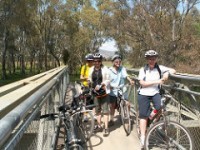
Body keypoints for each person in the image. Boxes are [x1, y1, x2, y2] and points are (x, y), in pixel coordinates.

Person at [138, 50, 176, 148]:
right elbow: (142, 83)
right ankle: (143, 137)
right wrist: (157, 81)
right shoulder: (143, 69)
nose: (152, 60)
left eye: (153, 58)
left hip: (155, 93)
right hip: (144, 93)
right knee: (143, 115)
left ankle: (151, 121)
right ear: (147, 59)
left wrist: (167, 73)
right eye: (150, 59)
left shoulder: (160, 68)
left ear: (156, 59)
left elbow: (173, 70)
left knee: (160, 107)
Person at [88, 53, 110, 137]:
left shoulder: (105, 69)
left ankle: (106, 128)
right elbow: (89, 79)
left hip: (104, 92)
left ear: (101, 61)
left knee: (105, 111)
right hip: (95, 93)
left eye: (98, 61)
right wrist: (89, 83)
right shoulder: (91, 69)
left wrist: (103, 84)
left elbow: (108, 79)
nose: (96, 62)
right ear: (93, 62)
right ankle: (99, 126)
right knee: (97, 110)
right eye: (95, 61)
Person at [108, 55, 134, 126]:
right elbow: (107, 80)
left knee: (127, 103)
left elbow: (126, 75)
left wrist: (130, 80)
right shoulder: (109, 70)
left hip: (122, 89)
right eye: (116, 61)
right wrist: (109, 86)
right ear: (113, 62)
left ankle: (128, 116)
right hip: (113, 90)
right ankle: (111, 120)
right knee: (112, 105)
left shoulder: (122, 68)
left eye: (119, 61)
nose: (118, 63)